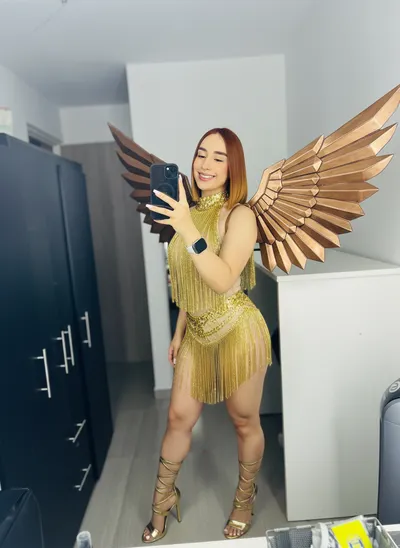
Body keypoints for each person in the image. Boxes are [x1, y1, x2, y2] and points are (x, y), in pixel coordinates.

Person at [143, 128, 271, 543]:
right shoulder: (188, 211)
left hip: (237, 330)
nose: (206, 164)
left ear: (234, 167)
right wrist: (179, 330)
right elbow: (189, 281)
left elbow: (221, 279)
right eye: (201, 153)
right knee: (178, 417)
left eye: (219, 157)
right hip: (196, 331)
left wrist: (185, 226)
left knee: (243, 421)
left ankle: (244, 500)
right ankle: (163, 498)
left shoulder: (241, 216)